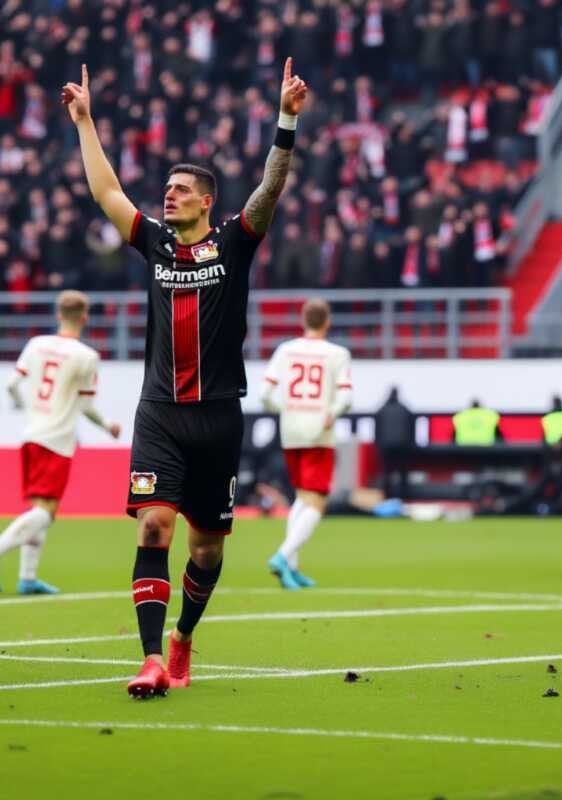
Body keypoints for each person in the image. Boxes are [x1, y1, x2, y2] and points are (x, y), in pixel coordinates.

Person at [63, 59, 308, 697]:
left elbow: (270, 187)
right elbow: (106, 193)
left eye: (179, 189)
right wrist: (85, 123)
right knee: (153, 527)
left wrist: (285, 120)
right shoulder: (155, 245)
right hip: (160, 413)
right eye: (166, 188)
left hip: (218, 417)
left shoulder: (235, 242)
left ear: (206, 201)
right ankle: (150, 659)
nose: (167, 195)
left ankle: (183, 637)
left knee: (206, 551)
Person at [0, 291, 120, 594]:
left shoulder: (36, 344)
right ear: (85, 317)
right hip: (56, 440)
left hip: (31, 434)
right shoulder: (86, 356)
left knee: (39, 507)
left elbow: (12, 385)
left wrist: (26, 407)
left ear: (58, 314)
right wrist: (108, 426)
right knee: (46, 512)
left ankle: (27, 578)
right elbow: (86, 405)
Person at [260, 298, 352, 590]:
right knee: (317, 501)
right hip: (318, 431)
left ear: (303, 319)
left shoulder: (285, 350)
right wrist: (332, 413)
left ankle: (292, 567)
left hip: (291, 431)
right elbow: (345, 398)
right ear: (328, 321)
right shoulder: (337, 354)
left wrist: (286, 410)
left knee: (302, 496)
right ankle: (282, 556)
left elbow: (264, 395)